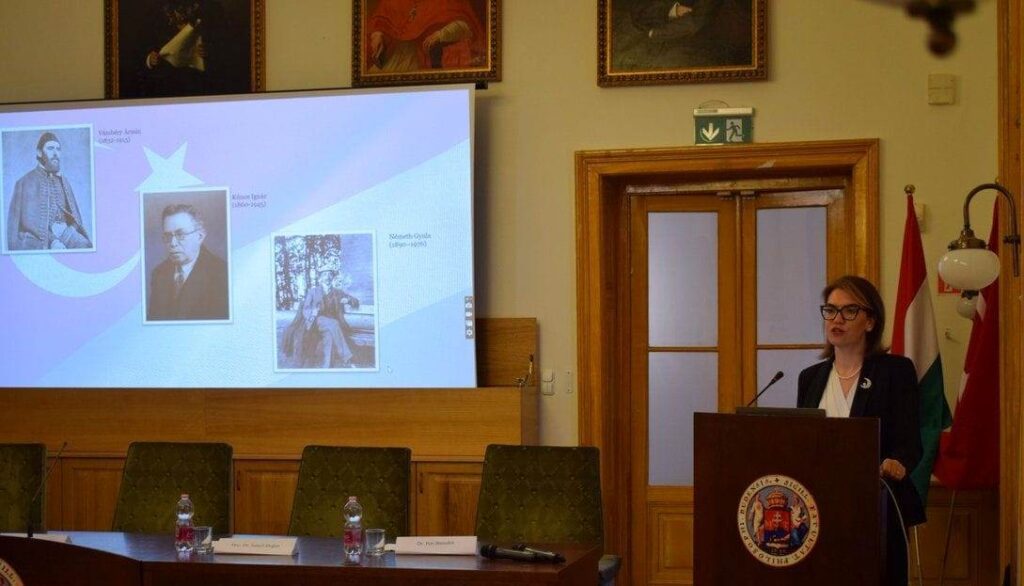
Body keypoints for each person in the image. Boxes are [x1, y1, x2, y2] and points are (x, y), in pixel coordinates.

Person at [797, 275, 924, 585]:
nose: (837, 319)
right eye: (830, 310)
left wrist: (897, 462)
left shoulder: (895, 371)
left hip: (877, 506)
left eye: (849, 310)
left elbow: (910, 441)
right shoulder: (810, 378)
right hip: (819, 509)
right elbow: (801, 443)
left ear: (870, 321)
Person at [6, 131, 91, 251]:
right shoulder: (25, 182)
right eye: (50, 148)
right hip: (39, 238)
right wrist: (53, 241)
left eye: (58, 149)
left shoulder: (64, 181)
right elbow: (28, 223)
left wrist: (71, 230)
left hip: (67, 234)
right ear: (39, 152)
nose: (56, 153)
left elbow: (76, 217)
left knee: (85, 246)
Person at [147, 203, 229, 321]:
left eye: (181, 235)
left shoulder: (221, 274)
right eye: (168, 236)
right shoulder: (158, 274)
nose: (173, 243)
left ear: (200, 236)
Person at [366, 0, 485, 73]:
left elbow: (466, 26)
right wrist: (378, 34)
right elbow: (381, 19)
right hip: (393, 61)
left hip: (424, 62)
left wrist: (441, 34)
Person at [282, 270, 358, 368]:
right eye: (325, 275)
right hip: (316, 321)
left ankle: (327, 367)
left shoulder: (337, 292)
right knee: (334, 323)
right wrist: (312, 312)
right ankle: (347, 358)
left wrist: (348, 300)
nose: (327, 277)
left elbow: (355, 301)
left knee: (330, 336)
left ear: (332, 278)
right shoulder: (313, 291)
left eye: (330, 275)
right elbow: (306, 308)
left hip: (330, 325)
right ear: (321, 279)